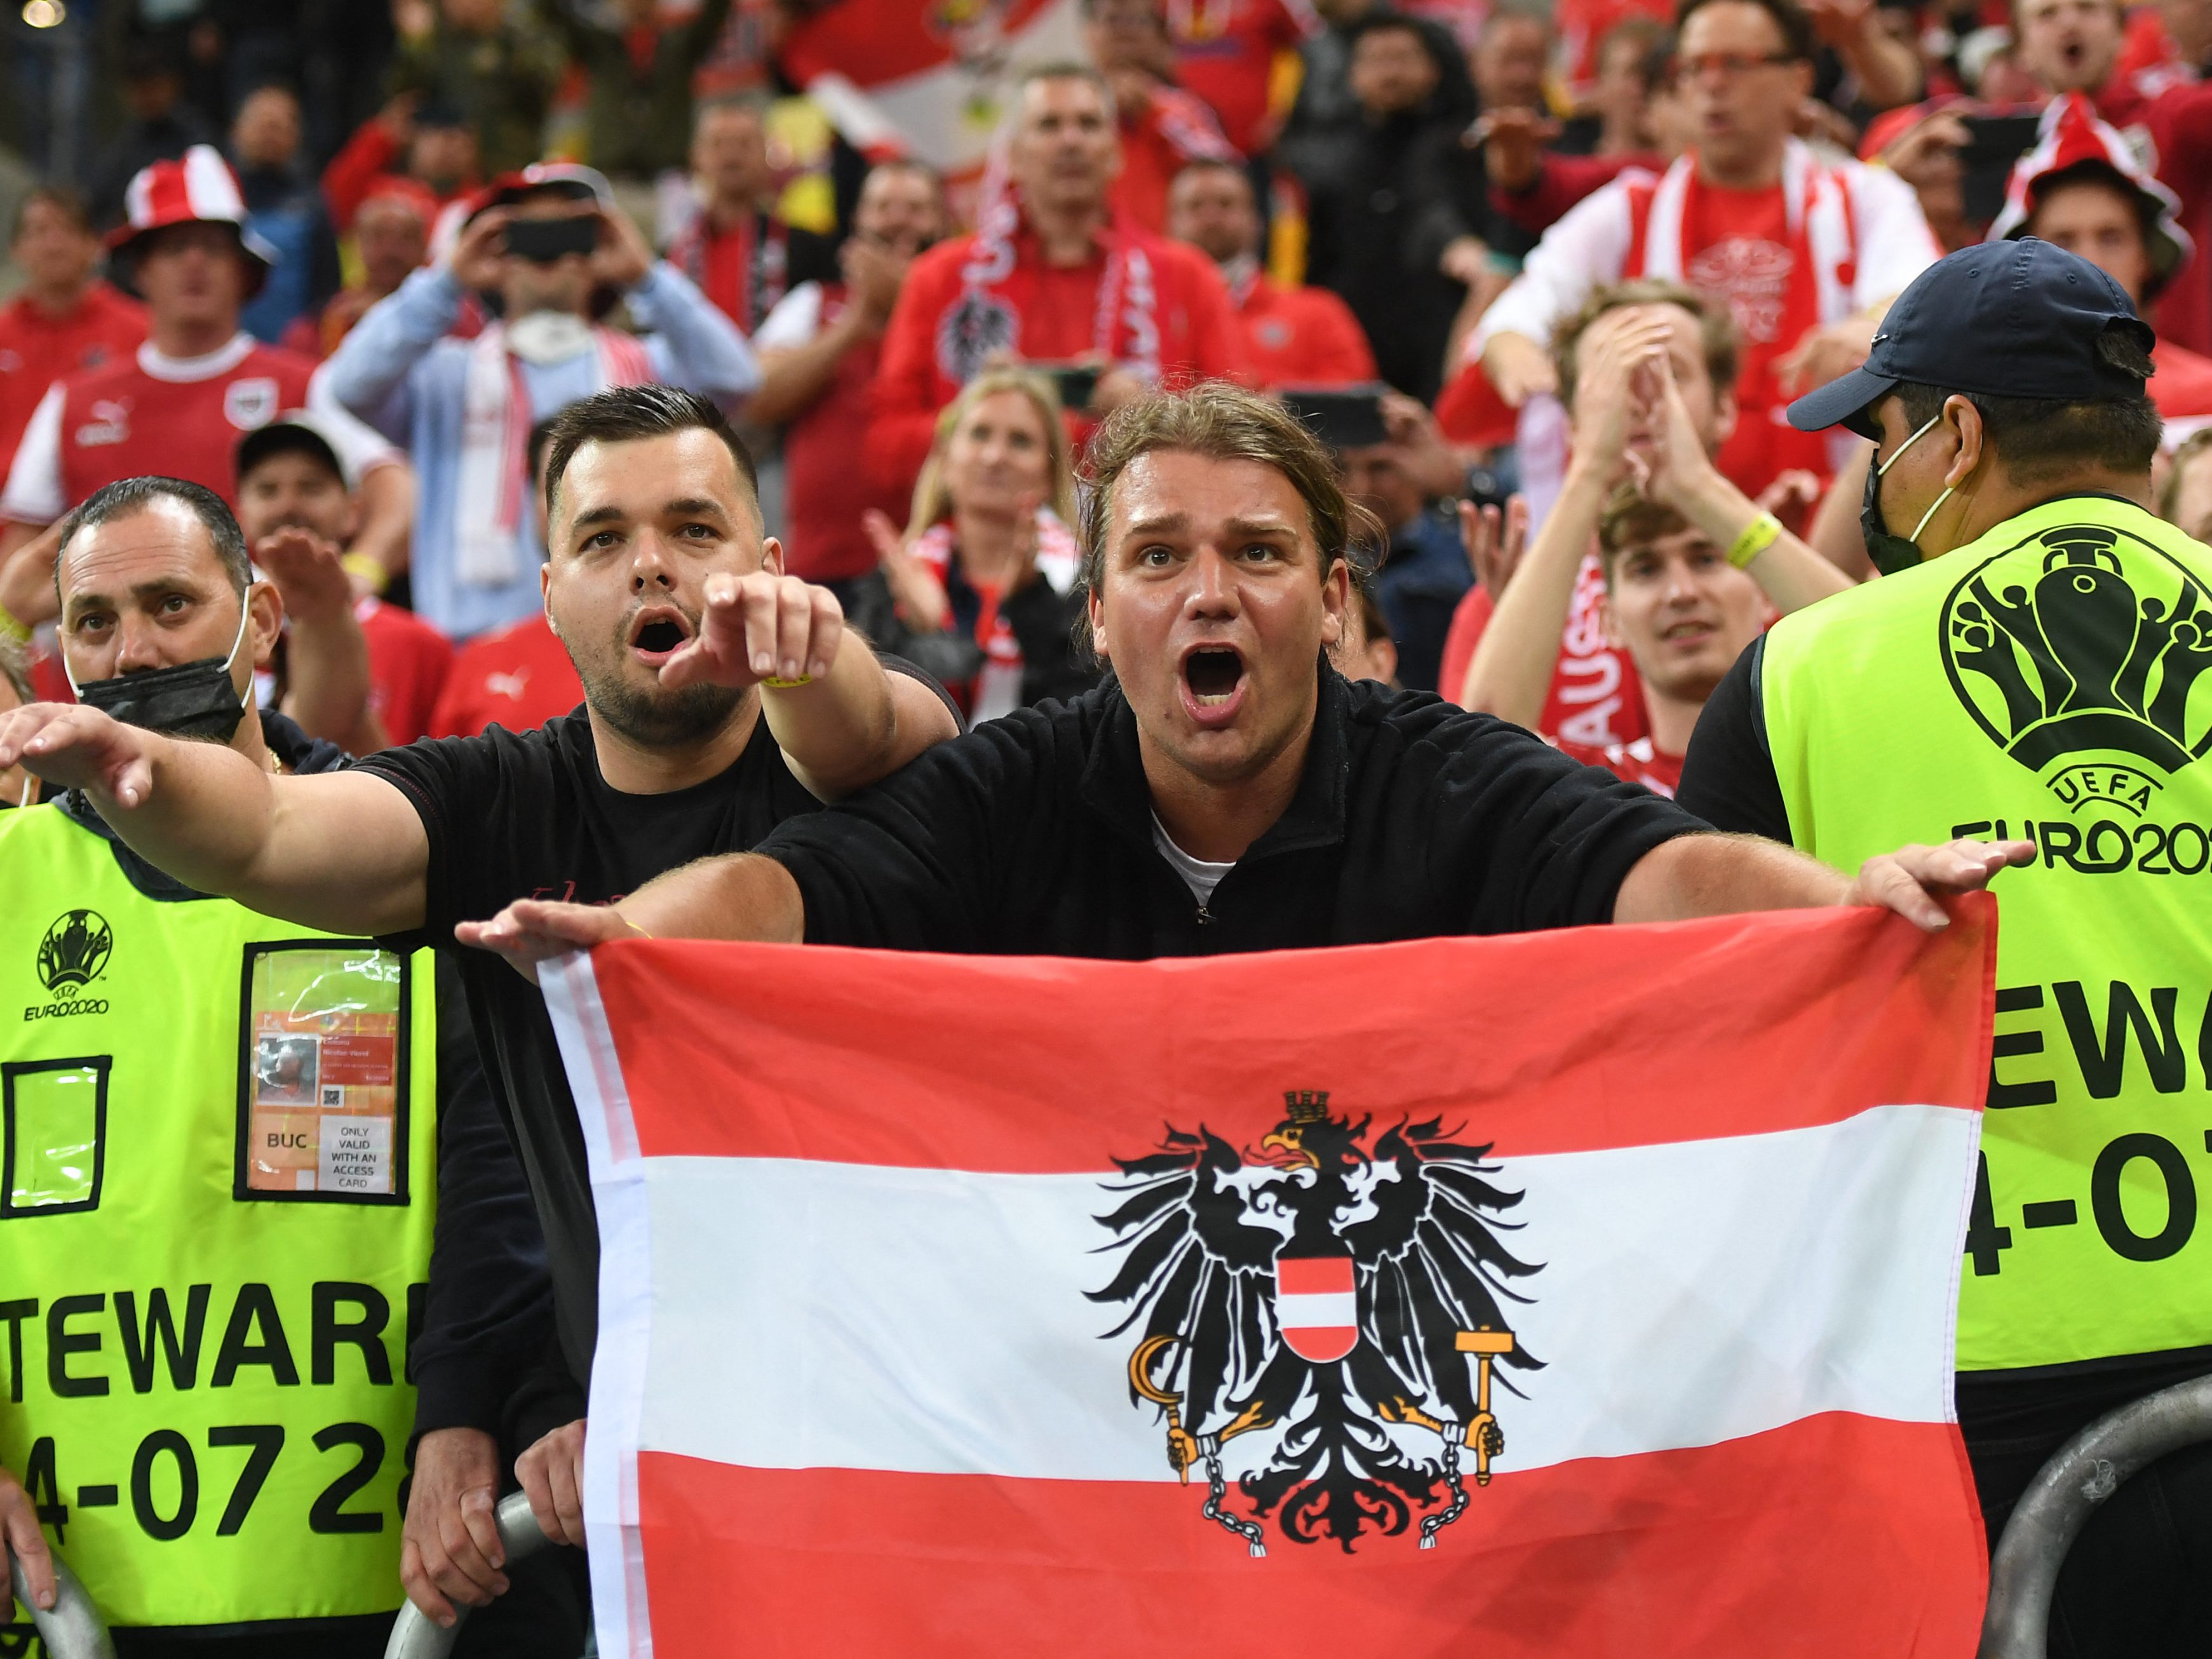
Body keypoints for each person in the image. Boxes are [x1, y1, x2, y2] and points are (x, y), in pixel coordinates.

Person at [0, 386, 963, 1570]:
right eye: (604, 539)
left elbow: (878, 728)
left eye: (694, 532)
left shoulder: (881, 766)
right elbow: (267, 835)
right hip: (634, 1455)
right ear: (549, 595)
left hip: (903, 1444)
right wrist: (129, 757)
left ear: (770, 565)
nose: (653, 567)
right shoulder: (488, 797)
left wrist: (811, 667)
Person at [457, 380, 2023, 1003]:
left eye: (1260, 553)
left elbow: (1659, 863)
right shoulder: (1014, 788)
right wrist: (626, 944)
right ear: (1099, 621)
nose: (1210, 591)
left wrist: (1846, 901)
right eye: (1157, 559)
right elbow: (793, 892)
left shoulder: (1440, 771)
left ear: (1335, 602)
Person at [1675, 237, 2212, 1655]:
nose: (1878, 472)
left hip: (1961, 1370)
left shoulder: (1801, 671)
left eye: (1883, 432)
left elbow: (1696, 1016)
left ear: (1954, 435)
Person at [0, 477, 440, 1656]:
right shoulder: (3, 883)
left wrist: (484, 1414)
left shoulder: (405, 861)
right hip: (70, 1598)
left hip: (388, 1592)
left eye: (171, 604)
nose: (133, 650)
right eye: (93, 622)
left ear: (261, 618)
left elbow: (510, 1199)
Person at [1471, 0, 1941, 495]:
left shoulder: (1865, 197)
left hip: (1827, 514)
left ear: (1799, 81)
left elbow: (1919, 300)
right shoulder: (1629, 209)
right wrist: (1532, 365)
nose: (1712, 85)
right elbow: (1512, 324)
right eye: (1694, 68)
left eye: (1736, 64)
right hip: (1661, 517)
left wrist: (1869, 328)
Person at [321, 163, 759, 641]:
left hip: (620, 646)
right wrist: (446, 281)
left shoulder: (647, 369)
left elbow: (738, 380)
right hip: (472, 651)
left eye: (570, 231)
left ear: (599, 248)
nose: (548, 253)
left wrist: (647, 278)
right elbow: (347, 384)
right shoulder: (446, 375)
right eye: (525, 234)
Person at [0, 149, 410, 633]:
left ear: (244, 270)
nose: (194, 263)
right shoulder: (75, 401)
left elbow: (394, 487)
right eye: (175, 249)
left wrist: (361, 572)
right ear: (141, 271)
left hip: (261, 675)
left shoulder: (298, 383)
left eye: (212, 248)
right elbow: (22, 551)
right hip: (111, 682)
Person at [868, 64, 1248, 494]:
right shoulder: (940, 278)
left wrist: (1151, 416)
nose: (1070, 140)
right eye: (1049, 125)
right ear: (1013, 156)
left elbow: (1241, 442)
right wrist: (983, 419)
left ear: (1115, 153)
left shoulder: (1189, 277)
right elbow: (884, 453)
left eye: (1088, 124)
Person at [744, 161, 948, 597]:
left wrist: (907, 297)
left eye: (915, 207)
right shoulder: (813, 302)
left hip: (938, 562)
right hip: (823, 568)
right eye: (883, 207)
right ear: (858, 223)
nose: (898, 219)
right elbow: (756, 397)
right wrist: (855, 325)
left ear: (941, 222)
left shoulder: (964, 311)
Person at [851, 369, 1096, 721]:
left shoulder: (1088, 587)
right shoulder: (894, 583)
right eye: (980, 434)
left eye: (1020, 441)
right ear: (946, 462)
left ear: (1049, 475)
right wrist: (921, 632)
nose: (995, 456)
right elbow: (863, 716)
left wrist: (1031, 605)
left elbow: (1088, 718)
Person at [1990, 93, 2212, 433]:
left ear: (2146, 258)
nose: (2089, 263)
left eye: (2111, 237)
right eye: (2062, 242)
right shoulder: (1981, 406)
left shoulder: (2206, 396)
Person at [235, 415, 455, 750]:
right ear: (241, 513)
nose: (288, 506)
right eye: (267, 491)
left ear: (353, 511)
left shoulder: (418, 645)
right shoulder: (221, 640)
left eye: (311, 488)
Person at [1296, 13, 1478, 401]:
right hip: (1354, 332)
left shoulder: (1463, 148)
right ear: (1352, 76)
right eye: (1376, 60)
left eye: (1403, 58)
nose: (1390, 73)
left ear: (1434, 69)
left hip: (1439, 331)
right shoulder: (1327, 157)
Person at [427, 419, 584, 738]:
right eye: (555, 490)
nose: (583, 509)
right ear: (531, 502)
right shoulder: (479, 660)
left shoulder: (692, 655)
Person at [1165, 158, 1379, 387]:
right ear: (1169, 224)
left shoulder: (1319, 313)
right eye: (1195, 206)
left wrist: (1272, 402)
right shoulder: (1146, 315)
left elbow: (1356, 398)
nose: (1211, 217)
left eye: (1226, 204)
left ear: (1256, 221)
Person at [1326, 393, 1475, 691]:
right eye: (1344, 470)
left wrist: (1454, 477)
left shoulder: (1462, 557)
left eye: (1381, 469)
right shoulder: (1318, 560)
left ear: (1417, 469)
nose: (1361, 487)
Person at [0, 189, 145, 484]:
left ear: (95, 246)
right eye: (39, 232)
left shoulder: (140, 331)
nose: (53, 245)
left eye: (66, 230)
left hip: (105, 506)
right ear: (16, 249)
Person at [665, 99, 839, 337]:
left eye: (744, 144)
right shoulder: (670, 256)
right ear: (696, 158)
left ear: (767, 155)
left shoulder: (809, 249)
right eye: (718, 144)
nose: (731, 155)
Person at [1084, 0, 1243, 235]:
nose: (1124, 30)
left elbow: (1222, 174)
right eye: (1112, 19)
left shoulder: (1189, 109)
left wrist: (1154, 110)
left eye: (1138, 20)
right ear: (1089, 34)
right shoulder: (1067, 112)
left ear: (1162, 40)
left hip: (1169, 255)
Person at [545, 0, 736, 183]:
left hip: (669, 176)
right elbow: (553, 15)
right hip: (612, 172)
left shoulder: (682, 44)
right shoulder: (598, 46)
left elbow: (715, 12)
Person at [385, 0, 565, 178]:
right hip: (444, 175)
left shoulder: (526, 36)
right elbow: (404, 98)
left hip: (508, 168)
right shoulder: (434, 41)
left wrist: (495, 31)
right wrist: (416, 43)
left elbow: (543, 87)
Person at [230, 83, 344, 347]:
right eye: (262, 123)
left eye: (280, 125)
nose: (270, 133)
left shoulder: (313, 204)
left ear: (297, 137)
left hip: (291, 351)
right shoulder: (215, 196)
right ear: (236, 131)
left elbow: (328, 288)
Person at [283, 178, 439, 360]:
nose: (391, 250)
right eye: (378, 236)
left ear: (425, 246)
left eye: (406, 237)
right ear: (359, 245)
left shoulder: (451, 314)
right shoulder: (323, 322)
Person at [1165, 0, 1321, 158]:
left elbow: (1308, 54)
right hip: (1183, 144)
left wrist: (1283, 112)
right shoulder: (1161, 6)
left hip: (1258, 142)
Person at [322, 95, 482, 236]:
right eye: (436, 139)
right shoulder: (384, 195)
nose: (446, 151)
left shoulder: (480, 204)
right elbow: (334, 203)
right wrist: (381, 136)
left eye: (457, 142)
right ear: (413, 143)